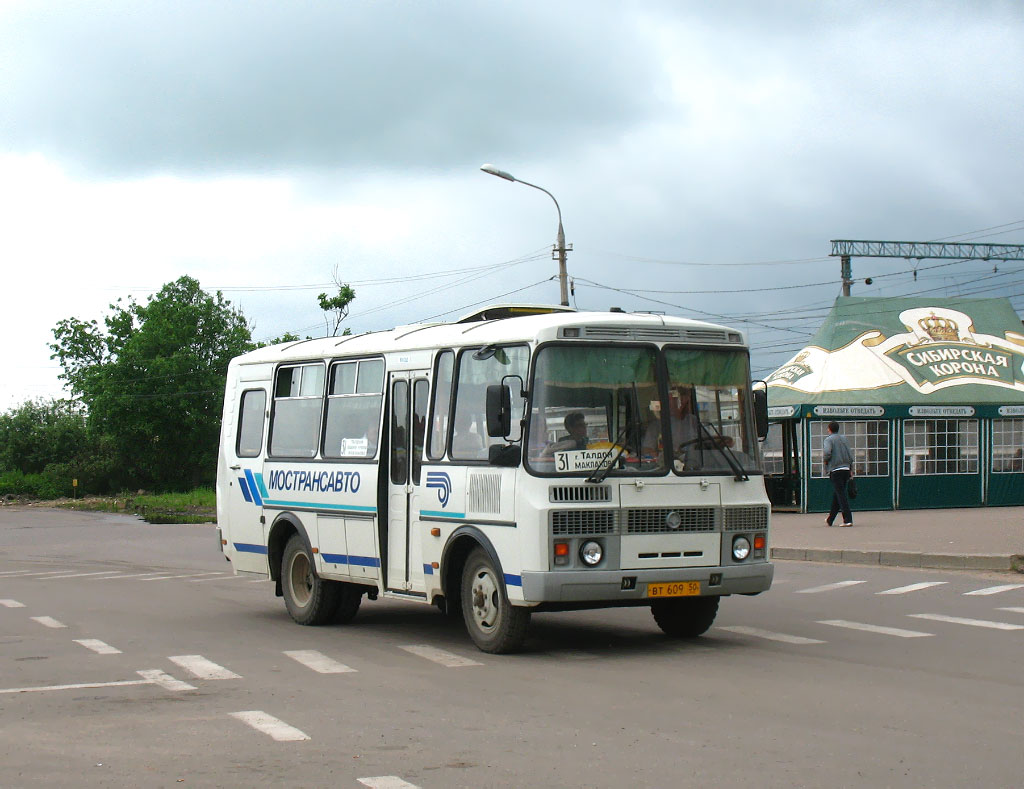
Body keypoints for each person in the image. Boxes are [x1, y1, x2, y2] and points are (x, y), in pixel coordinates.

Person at [823, 421, 854, 527]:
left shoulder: (828, 439)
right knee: (838, 494)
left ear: (830, 429)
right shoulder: (844, 439)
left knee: (841, 495)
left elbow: (827, 452)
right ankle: (830, 519)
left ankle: (847, 519)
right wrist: (850, 468)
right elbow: (850, 454)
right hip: (846, 469)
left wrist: (826, 461)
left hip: (835, 470)